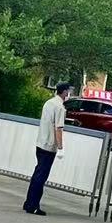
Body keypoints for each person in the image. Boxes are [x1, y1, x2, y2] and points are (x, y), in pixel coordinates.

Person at [24, 82, 70, 215]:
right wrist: (60, 147)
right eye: (68, 91)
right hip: (49, 146)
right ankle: (33, 205)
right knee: (41, 177)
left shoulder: (49, 103)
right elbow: (58, 128)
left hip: (41, 142)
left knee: (36, 174)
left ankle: (28, 202)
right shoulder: (60, 107)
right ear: (64, 92)